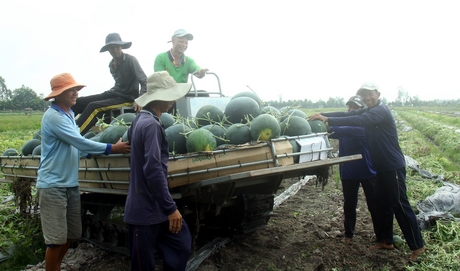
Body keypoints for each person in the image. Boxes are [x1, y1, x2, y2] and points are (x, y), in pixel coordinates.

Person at [308, 82, 426, 262]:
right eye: (364, 95)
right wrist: (323, 116)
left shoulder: (381, 111)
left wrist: (329, 120)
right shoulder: (368, 110)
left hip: (392, 166)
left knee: (400, 204)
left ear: (378, 94)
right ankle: (386, 240)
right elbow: (350, 114)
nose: (367, 98)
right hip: (380, 168)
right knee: (380, 203)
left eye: (370, 94)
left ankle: (418, 246)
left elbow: (360, 120)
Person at [37, 73, 131, 271]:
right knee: (55, 240)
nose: (76, 94)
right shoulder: (54, 117)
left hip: (70, 184)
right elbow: (78, 141)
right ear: (59, 94)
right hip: (53, 185)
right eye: (71, 90)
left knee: (72, 234)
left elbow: (77, 147)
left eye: (76, 90)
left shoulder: (69, 114)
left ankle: (57, 267)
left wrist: (92, 152)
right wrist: (111, 148)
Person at [124, 71, 192, 270]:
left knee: (180, 242)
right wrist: (171, 208)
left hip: (156, 208)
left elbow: (131, 137)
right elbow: (153, 170)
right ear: (159, 97)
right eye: (170, 95)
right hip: (144, 212)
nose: (173, 99)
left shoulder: (141, 120)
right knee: (143, 265)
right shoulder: (150, 125)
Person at [72, 33, 147, 135]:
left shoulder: (130, 60)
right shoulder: (111, 64)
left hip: (127, 97)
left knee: (94, 107)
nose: (115, 50)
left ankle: (74, 136)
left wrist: (140, 99)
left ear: (121, 47)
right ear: (108, 49)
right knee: (78, 102)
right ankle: (65, 128)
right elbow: (119, 84)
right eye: (112, 48)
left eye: (117, 47)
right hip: (114, 93)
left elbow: (144, 81)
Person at [327, 95, 378, 244]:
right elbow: (333, 132)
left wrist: (328, 123)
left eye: (354, 107)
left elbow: (342, 130)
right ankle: (349, 235)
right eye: (349, 107)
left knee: (374, 204)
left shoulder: (363, 126)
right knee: (349, 204)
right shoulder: (344, 127)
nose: (350, 110)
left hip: (367, 171)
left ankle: (380, 235)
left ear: (361, 110)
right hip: (348, 171)